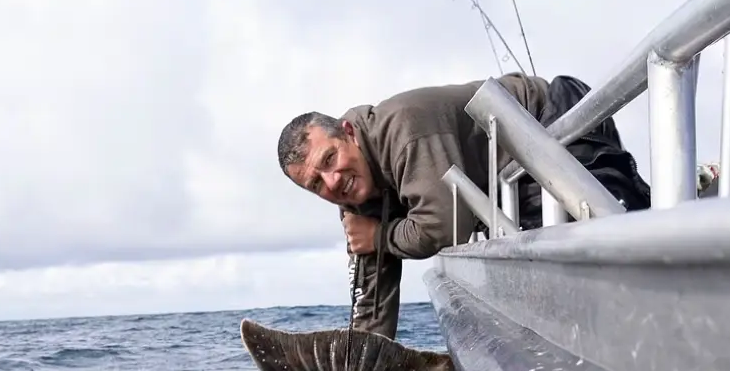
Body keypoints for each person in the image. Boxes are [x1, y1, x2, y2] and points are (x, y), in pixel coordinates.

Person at [278, 72, 650, 338]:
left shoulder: (403, 129)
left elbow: (444, 224)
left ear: (348, 133)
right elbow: (372, 306)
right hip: (501, 178)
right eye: (315, 183)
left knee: (594, 249)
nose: (332, 181)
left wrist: (381, 237)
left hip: (548, 120)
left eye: (329, 160)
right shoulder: (355, 198)